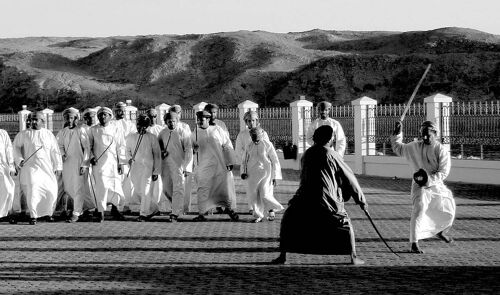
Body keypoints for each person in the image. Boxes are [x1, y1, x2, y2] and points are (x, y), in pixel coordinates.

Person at [272, 125, 367, 265]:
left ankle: (283, 255)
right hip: (327, 200)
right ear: (330, 139)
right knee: (345, 223)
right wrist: (361, 200)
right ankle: (353, 256)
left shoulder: (307, 154)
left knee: (288, 221)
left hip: (303, 200)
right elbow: (349, 179)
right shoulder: (332, 154)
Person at [391, 120, 455, 253]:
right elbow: (398, 148)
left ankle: (441, 232)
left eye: (428, 134)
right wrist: (397, 133)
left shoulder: (441, 150)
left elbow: (443, 172)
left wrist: (429, 180)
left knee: (449, 209)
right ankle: (414, 243)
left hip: (436, 185)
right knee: (419, 210)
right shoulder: (414, 146)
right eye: (423, 134)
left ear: (435, 134)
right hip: (419, 185)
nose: (425, 137)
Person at [13, 111, 63, 225]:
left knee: (50, 189)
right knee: (33, 188)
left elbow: (55, 151)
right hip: (31, 167)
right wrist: (19, 160)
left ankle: (48, 213)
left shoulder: (49, 134)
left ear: (43, 121)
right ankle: (33, 215)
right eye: (31, 119)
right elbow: (15, 147)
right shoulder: (24, 134)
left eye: (36, 119)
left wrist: (58, 166)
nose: (33, 122)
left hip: (46, 168)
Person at [191, 110, 239, 222]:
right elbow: (192, 147)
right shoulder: (195, 132)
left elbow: (227, 145)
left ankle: (229, 210)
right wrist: (194, 149)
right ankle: (201, 213)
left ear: (208, 119)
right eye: (197, 120)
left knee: (223, 189)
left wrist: (230, 161)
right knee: (202, 189)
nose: (199, 122)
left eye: (201, 120)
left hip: (219, 165)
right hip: (203, 166)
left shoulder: (217, 130)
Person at [85, 107, 126, 222]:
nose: (102, 117)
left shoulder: (116, 129)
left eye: (105, 115)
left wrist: (121, 162)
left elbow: (121, 146)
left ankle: (115, 208)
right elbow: (89, 146)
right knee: (102, 186)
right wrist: (92, 157)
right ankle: (100, 211)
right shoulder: (93, 130)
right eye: (100, 115)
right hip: (100, 163)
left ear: (110, 116)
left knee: (115, 186)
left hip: (113, 163)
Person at [240, 127, 283, 223]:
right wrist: (243, 172)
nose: (254, 138)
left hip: (266, 174)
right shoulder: (249, 146)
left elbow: (275, 160)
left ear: (261, 135)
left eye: (256, 135)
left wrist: (275, 176)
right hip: (252, 174)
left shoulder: (267, 144)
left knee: (265, 194)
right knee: (253, 195)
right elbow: (244, 161)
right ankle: (257, 215)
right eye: (252, 136)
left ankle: (271, 209)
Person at [126, 114, 162, 222]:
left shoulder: (152, 137)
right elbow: (127, 150)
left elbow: (157, 155)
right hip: (135, 168)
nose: (140, 127)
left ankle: (143, 213)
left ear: (146, 126)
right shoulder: (131, 137)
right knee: (139, 190)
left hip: (148, 168)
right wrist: (129, 158)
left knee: (146, 189)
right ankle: (153, 208)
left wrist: (156, 171)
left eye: (143, 125)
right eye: (138, 124)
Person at [56, 107, 89, 223]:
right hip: (67, 164)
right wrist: (62, 153)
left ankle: (76, 213)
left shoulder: (81, 131)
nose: (69, 120)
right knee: (68, 188)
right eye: (67, 118)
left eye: (71, 118)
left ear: (76, 119)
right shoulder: (62, 132)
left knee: (78, 188)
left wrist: (84, 164)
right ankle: (77, 210)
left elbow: (87, 148)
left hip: (78, 163)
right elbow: (59, 145)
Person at [159, 112, 193, 222]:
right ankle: (176, 206)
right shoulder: (163, 132)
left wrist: (187, 167)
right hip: (166, 165)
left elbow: (189, 149)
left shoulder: (182, 132)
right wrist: (161, 151)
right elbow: (158, 145)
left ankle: (175, 212)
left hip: (179, 165)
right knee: (165, 188)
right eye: (169, 121)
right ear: (166, 122)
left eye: (174, 121)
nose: (172, 123)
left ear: (177, 121)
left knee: (178, 188)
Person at [235, 110, 271, 213]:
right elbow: (238, 150)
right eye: (249, 121)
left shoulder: (263, 133)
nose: (251, 123)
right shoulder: (242, 135)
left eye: (253, 120)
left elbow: (268, 148)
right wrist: (248, 158)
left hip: (261, 166)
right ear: (246, 122)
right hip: (248, 166)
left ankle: (265, 208)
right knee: (250, 188)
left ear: (257, 120)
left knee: (263, 188)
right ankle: (252, 208)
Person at [170, 104, 195, 214]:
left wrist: (187, 165)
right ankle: (173, 208)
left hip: (184, 162)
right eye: (174, 112)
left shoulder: (185, 127)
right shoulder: (166, 127)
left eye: (179, 112)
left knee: (186, 186)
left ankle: (185, 208)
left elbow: (189, 146)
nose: (177, 114)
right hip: (170, 163)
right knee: (172, 187)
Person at [112, 101, 136, 214]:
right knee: (116, 181)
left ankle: (126, 205)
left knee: (128, 181)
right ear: (115, 111)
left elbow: (133, 139)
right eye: (118, 110)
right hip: (114, 156)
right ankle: (114, 206)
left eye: (122, 110)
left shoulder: (130, 124)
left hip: (127, 156)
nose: (121, 112)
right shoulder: (111, 124)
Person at [0, 128, 16, 222]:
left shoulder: (3, 133)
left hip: (2, 166)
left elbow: (8, 149)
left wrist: (11, 166)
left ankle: (4, 213)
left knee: (8, 188)